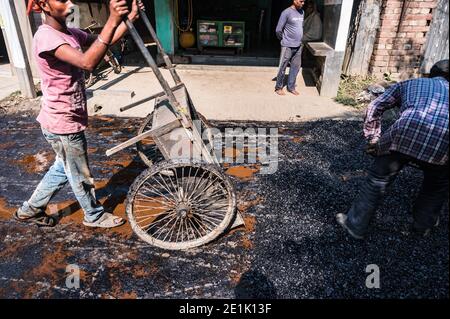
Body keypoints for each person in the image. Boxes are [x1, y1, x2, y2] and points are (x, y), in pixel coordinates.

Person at [15, 0, 144, 228]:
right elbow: (87, 62)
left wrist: (129, 19)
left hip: (64, 118)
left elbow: (105, 41)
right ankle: (93, 215)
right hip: (62, 121)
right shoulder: (47, 37)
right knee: (79, 174)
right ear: (44, 5)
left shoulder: (68, 33)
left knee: (63, 168)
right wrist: (112, 18)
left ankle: (30, 209)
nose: (70, 2)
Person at [336, 60, 449, 239]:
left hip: (404, 134)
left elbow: (375, 106)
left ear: (430, 74)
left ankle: (355, 226)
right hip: (443, 143)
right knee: (436, 186)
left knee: (377, 180)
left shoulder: (412, 83)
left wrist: (374, 139)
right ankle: (422, 227)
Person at [275, 0, 305, 96]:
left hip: (298, 45)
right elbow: (278, 30)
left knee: (295, 67)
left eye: (304, 1)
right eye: (301, 1)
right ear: (295, 0)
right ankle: (278, 87)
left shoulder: (302, 12)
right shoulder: (286, 12)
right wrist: (284, 40)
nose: (303, 3)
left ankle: (291, 87)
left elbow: (300, 27)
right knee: (282, 66)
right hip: (287, 45)